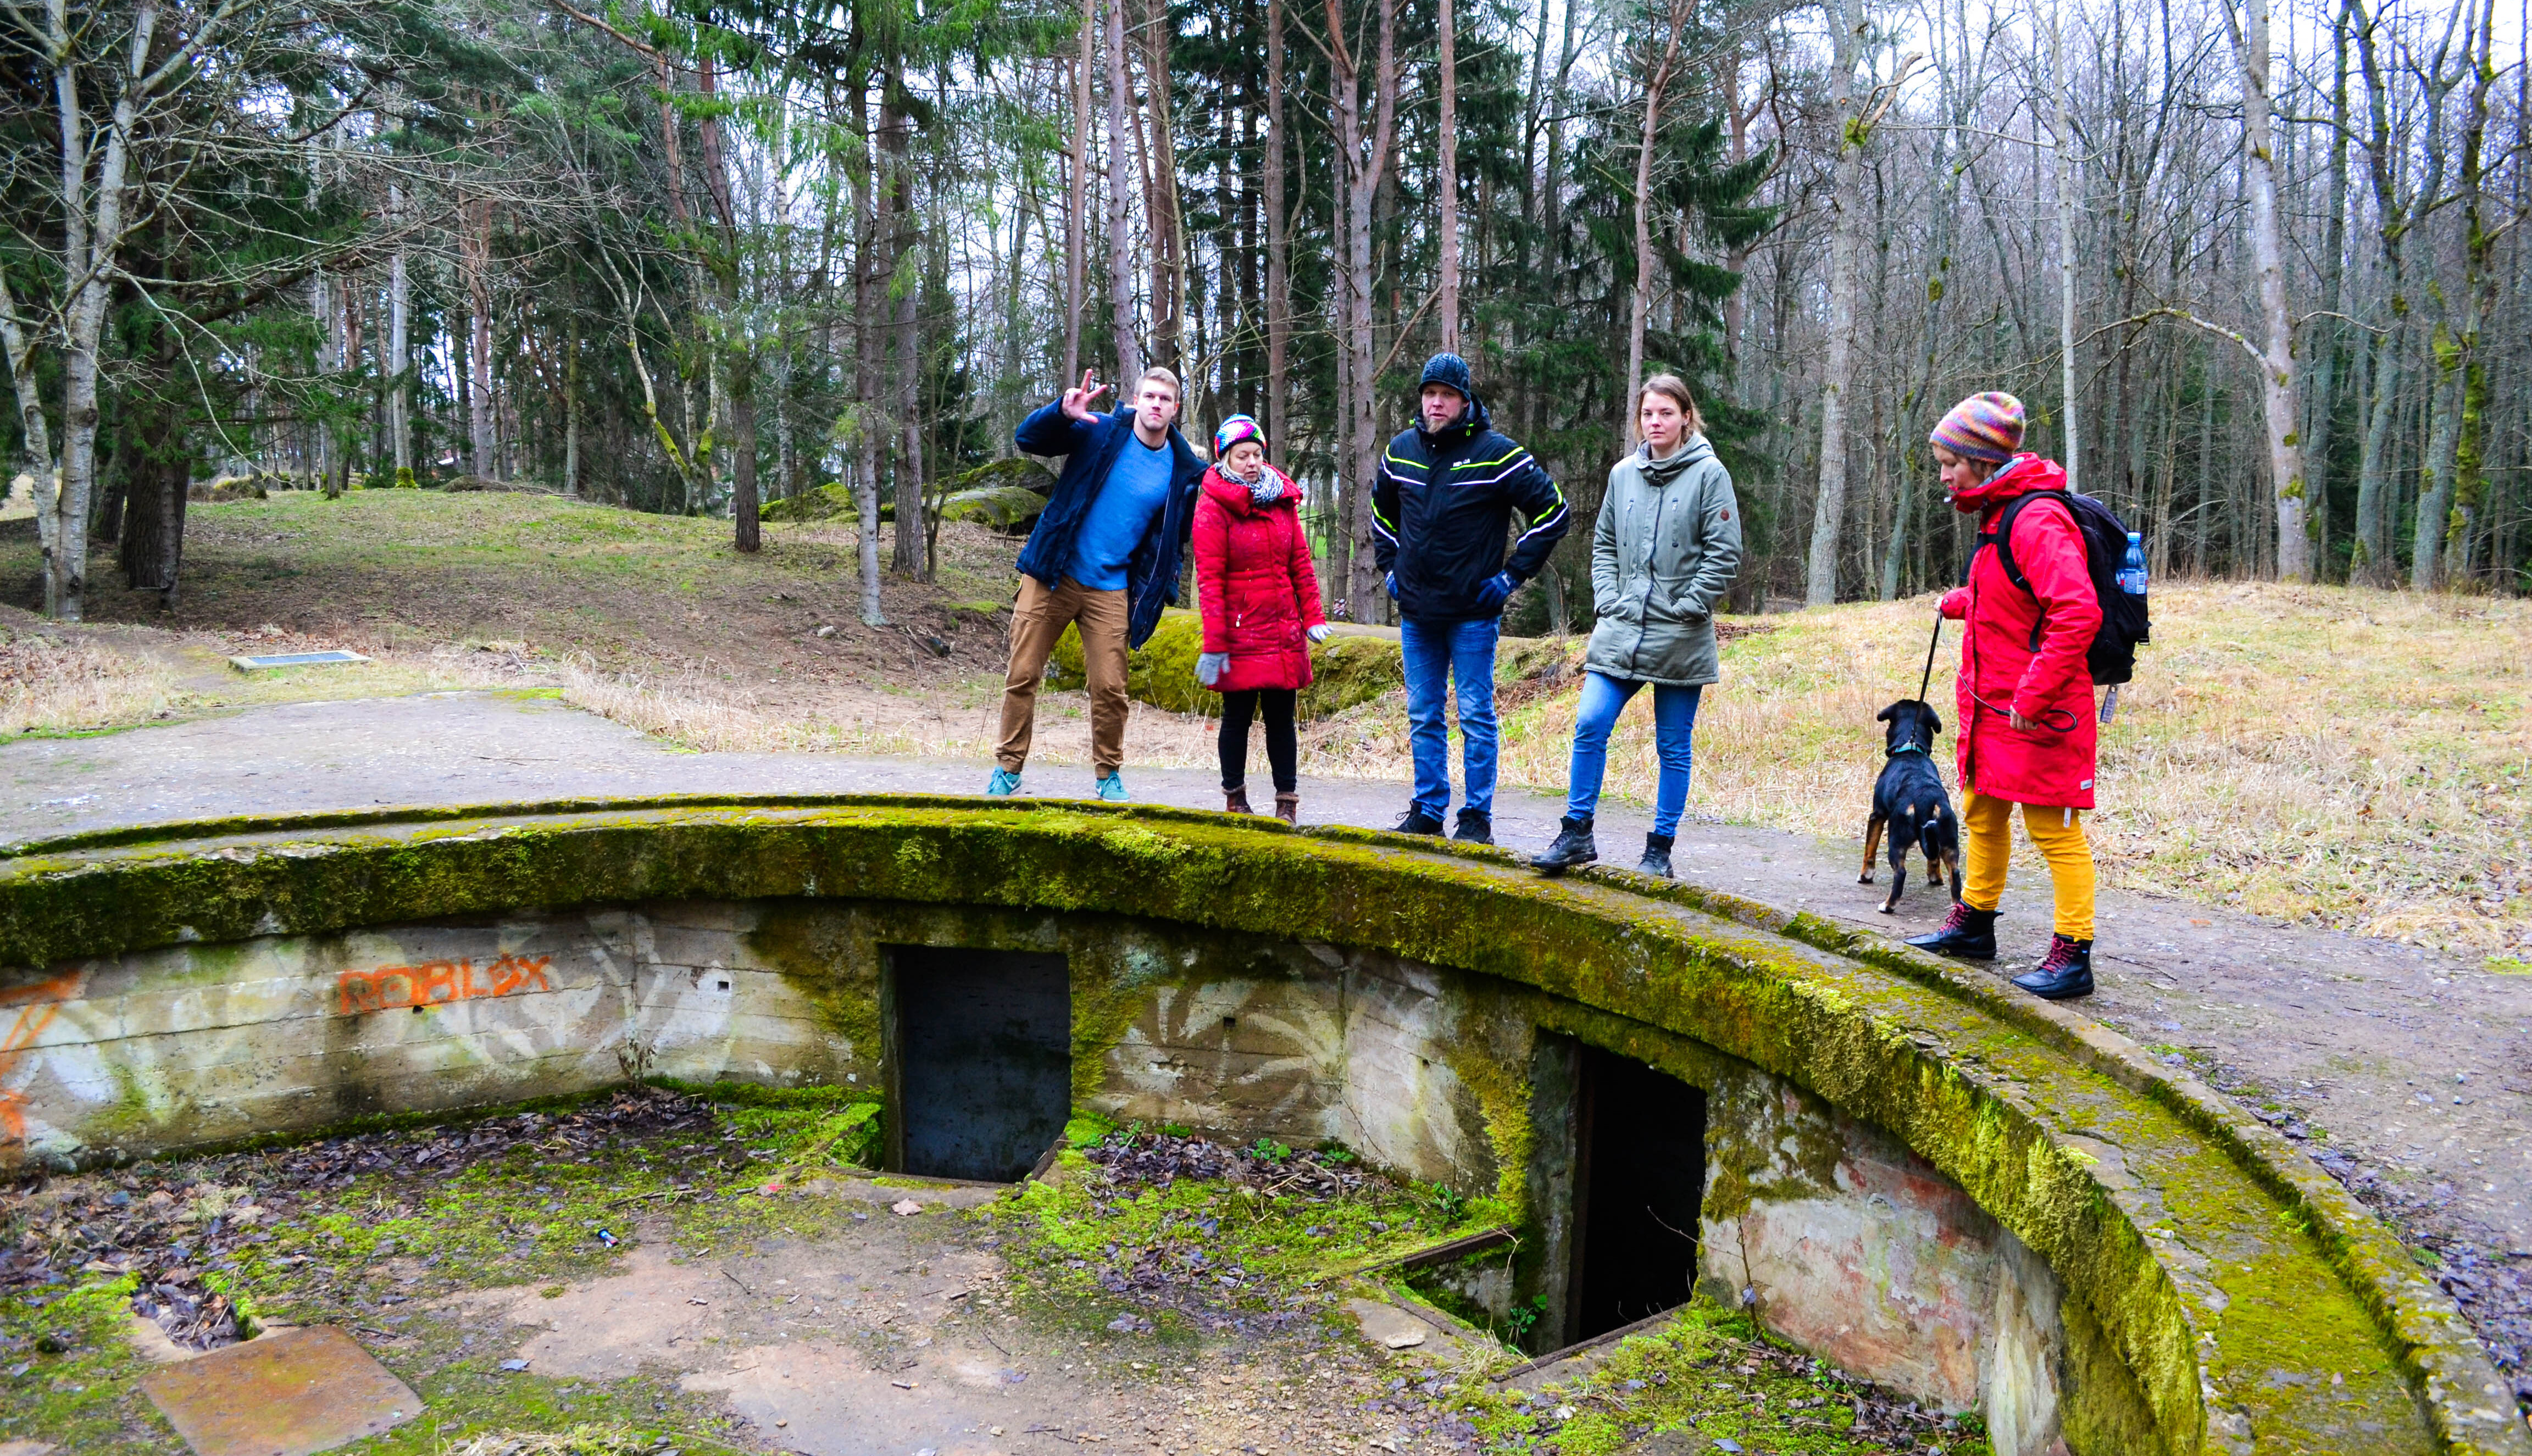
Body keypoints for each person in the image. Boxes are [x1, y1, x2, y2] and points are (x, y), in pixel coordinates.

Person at [1904, 391, 2101, 1000]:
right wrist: (1962, 602)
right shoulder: (1999, 513)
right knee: (1983, 812)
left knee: (2055, 832)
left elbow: (2076, 611)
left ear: (1982, 462)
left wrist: (2035, 692)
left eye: (1949, 463)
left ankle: (2073, 956)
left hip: (2038, 710)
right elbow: (2017, 595)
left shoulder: (2035, 517)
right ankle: (1975, 923)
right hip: (1992, 708)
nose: (1943, 475)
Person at [1530, 375, 1742, 878]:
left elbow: (1725, 552)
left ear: (1686, 416)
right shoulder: (1623, 474)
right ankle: (1577, 832)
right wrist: (1609, 598)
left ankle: (1659, 850)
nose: (1656, 422)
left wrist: (1690, 604)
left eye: (1667, 413)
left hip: (1680, 634)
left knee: (1673, 745)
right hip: (1621, 628)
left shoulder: (1710, 475)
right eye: (1649, 414)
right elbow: (1604, 544)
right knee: (1590, 723)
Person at [1372, 352, 1571, 843]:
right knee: (1424, 713)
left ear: (1465, 401)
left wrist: (1511, 577)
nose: (1437, 404)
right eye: (1430, 394)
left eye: (1447, 396)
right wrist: (1390, 571)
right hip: (1417, 611)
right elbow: (1381, 514)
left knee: (1477, 714)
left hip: (1474, 614)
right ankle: (1427, 809)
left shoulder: (1498, 454)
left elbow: (1554, 513)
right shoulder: (1400, 452)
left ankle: (1476, 817)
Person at [990, 367, 1204, 802]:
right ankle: (1008, 768)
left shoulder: (1183, 472)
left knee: (1110, 687)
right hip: (1054, 572)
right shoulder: (1100, 431)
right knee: (1024, 672)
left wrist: (1162, 588)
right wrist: (1061, 414)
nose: (1156, 404)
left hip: (1111, 588)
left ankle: (1108, 775)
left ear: (1175, 409)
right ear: (1136, 399)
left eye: (1165, 399)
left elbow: (1173, 540)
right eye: (1149, 396)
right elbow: (1028, 440)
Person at [1191, 415, 1331, 824]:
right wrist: (1215, 645)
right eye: (1242, 456)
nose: (1252, 462)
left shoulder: (1282, 500)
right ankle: (1235, 798)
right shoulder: (1212, 508)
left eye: (1257, 454)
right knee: (1236, 718)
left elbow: (1301, 564)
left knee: (1281, 721)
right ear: (1224, 458)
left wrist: (1313, 617)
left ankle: (1287, 803)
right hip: (1239, 634)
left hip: (1282, 629)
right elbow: (1210, 582)